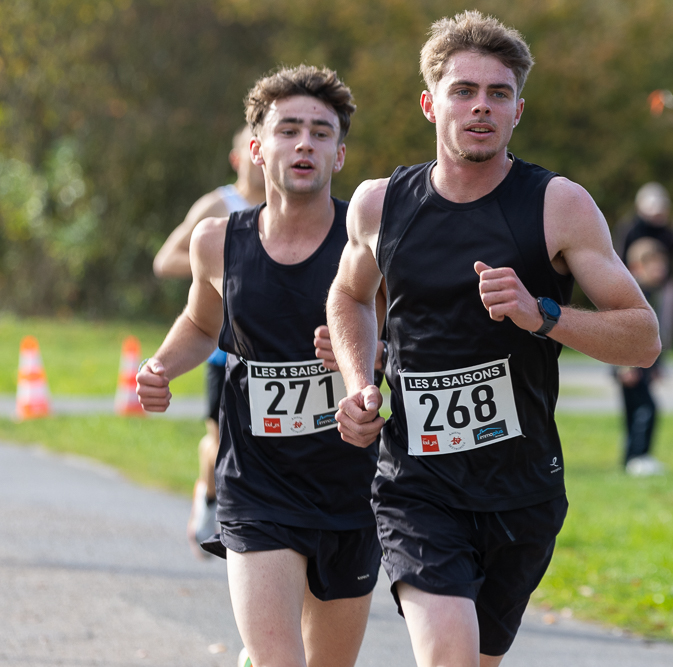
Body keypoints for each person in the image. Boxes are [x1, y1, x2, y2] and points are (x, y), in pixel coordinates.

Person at [324, 11, 660, 666]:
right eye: (464, 91)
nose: (481, 107)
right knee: (449, 656)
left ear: (518, 111)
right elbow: (348, 294)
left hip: (523, 489)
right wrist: (360, 381)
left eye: (498, 94)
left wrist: (545, 315)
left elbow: (643, 337)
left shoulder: (556, 206)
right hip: (416, 482)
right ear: (430, 103)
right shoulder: (379, 204)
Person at [137, 65, 385, 667]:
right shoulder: (216, 241)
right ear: (256, 147)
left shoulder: (373, 241)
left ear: (340, 153)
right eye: (289, 129)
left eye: (321, 133)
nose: (305, 143)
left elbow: (410, 338)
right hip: (257, 484)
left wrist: (365, 361)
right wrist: (163, 366)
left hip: (351, 485)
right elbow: (202, 323)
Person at [153, 124, 265, 558]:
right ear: (240, 156)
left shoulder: (291, 204)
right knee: (219, 437)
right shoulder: (220, 204)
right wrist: (226, 262)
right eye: (250, 151)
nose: (261, 158)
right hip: (223, 345)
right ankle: (208, 496)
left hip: (275, 351)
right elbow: (166, 260)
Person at [616, 237, 666, 476]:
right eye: (654, 265)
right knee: (646, 409)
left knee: (637, 411)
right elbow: (617, 331)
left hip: (642, 364)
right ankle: (638, 457)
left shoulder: (650, 292)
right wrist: (624, 366)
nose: (660, 270)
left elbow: (653, 334)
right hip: (629, 365)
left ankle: (631, 459)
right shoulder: (630, 294)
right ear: (637, 267)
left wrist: (656, 365)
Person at [618, 182, 673, 360]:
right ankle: (630, 363)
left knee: (663, 326)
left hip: (662, 284)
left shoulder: (666, 231)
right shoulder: (630, 228)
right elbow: (620, 257)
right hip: (636, 283)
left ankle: (658, 363)